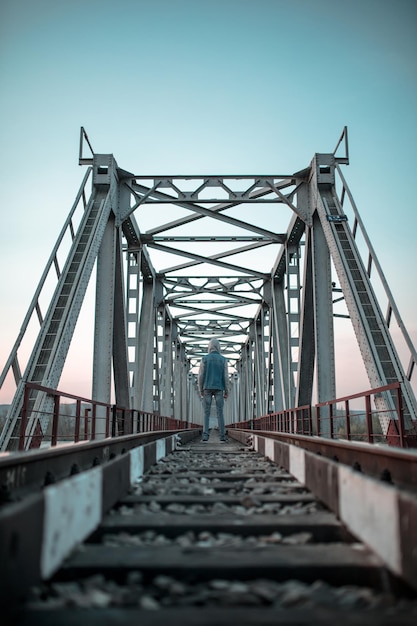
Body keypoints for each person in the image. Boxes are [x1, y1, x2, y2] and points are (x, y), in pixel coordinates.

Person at [198, 338, 229, 442]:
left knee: (206, 413)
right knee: (220, 412)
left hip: (207, 387)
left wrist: (200, 389)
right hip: (219, 388)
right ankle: (222, 436)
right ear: (218, 347)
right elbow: (225, 376)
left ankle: (205, 435)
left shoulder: (204, 359)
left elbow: (201, 375)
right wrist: (227, 391)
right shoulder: (223, 360)